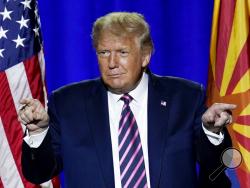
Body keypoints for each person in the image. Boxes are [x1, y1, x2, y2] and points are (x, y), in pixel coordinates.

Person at [19, 12, 236, 188]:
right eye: (103, 52)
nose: (112, 63)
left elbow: (216, 167)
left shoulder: (185, 98)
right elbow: (39, 173)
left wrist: (212, 132)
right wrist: (38, 133)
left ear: (145, 55)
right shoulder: (68, 103)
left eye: (122, 52)